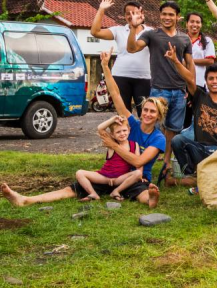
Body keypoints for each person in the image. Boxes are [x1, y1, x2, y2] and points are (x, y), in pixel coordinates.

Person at [2, 50, 164, 208]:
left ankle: (151, 199)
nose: (148, 114)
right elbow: (115, 94)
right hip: (111, 175)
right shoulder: (132, 124)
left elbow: (138, 161)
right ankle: (25, 200)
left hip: (134, 178)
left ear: (158, 116)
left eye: (152, 112)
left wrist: (113, 145)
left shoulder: (158, 138)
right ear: (142, 111)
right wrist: (106, 67)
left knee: (141, 193)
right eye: (146, 110)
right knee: (70, 190)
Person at [126, 1, 193, 170]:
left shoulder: (185, 38)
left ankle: (166, 162)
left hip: (179, 91)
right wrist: (134, 28)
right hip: (158, 90)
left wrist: (190, 88)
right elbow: (132, 48)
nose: (167, 17)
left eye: (171, 14)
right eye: (164, 14)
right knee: (149, 126)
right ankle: (141, 160)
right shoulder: (152, 35)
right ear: (159, 15)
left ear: (178, 17)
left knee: (172, 129)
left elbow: (190, 65)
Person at [165, 48, 217, 181]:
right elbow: (190, 80)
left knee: (214, 153)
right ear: (206, 81)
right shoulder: (200, 97)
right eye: (211, 79)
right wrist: (176, 61)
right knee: (177, 140)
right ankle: (189, 174)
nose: (214, 82)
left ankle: (203, 173)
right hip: (198, 148)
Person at [90, 0, 151, 115]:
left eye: (135, 12)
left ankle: (143, 134)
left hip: (144, 77)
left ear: (142, 14)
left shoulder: (150, 32)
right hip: (120, 76)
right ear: (124, 16)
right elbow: (95, 32)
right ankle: (125, 134)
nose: (131, 16)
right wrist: (101, 9)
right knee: (123, 113)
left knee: (145, 113)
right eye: (128, 13)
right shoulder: (118, 31)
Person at [75, 115, 142, 201]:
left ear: (129, 130)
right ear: (112, 135)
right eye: (118, 132)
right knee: (79, 173)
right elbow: (100, 129)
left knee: (138, 173)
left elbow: (138, 162)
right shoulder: (111, 143)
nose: (122, 133)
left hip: (120, 178)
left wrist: (141, 176)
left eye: (124, 130)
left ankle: (116, 191)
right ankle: (93, 194)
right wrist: (113, 119)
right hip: (104, 176)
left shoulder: (134, 145)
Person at [186, 12, 216, 90]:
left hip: (199, 82)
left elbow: (210, 61)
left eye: (198, 22)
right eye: (192, 21)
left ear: (201, 25)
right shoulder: (180, 39)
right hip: (181, 82)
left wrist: (189, 61)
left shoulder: (207, 41)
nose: (195, 24)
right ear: (187, 24)